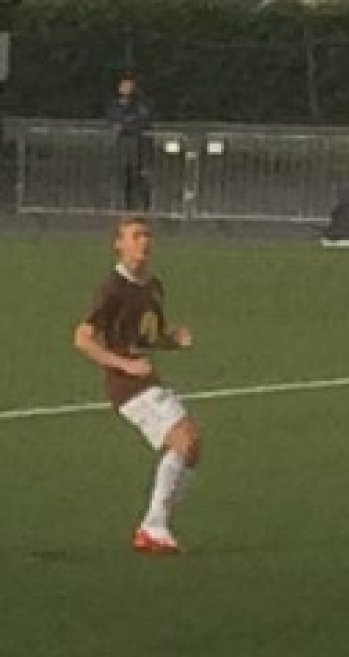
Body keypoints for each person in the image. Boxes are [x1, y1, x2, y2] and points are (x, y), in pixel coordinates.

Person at [72, 217, 199, 554]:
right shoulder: (111, 289)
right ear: (119, 244)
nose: (144, 242)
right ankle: (153, 527)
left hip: (147, 378)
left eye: (147, 235)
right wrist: (124, 364)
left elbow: (147, 337)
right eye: (135, 236)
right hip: (126, 386)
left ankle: (156, 525)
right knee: (184, 439)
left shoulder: (153, 286)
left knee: (191, 447)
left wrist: (172, 340)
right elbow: (83, 339)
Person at [105, 74, 153, 212]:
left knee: (140, 178)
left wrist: (126, 126)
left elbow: (142, 123)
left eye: (128, 86)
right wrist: (125, 125)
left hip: (139, 147)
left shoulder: (140, 106)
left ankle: (144, 209)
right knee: (126, 181)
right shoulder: (115, 106)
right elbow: (114, 123)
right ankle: (129, 209)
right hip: (123, 149)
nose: (126, 88)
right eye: (123, 85)